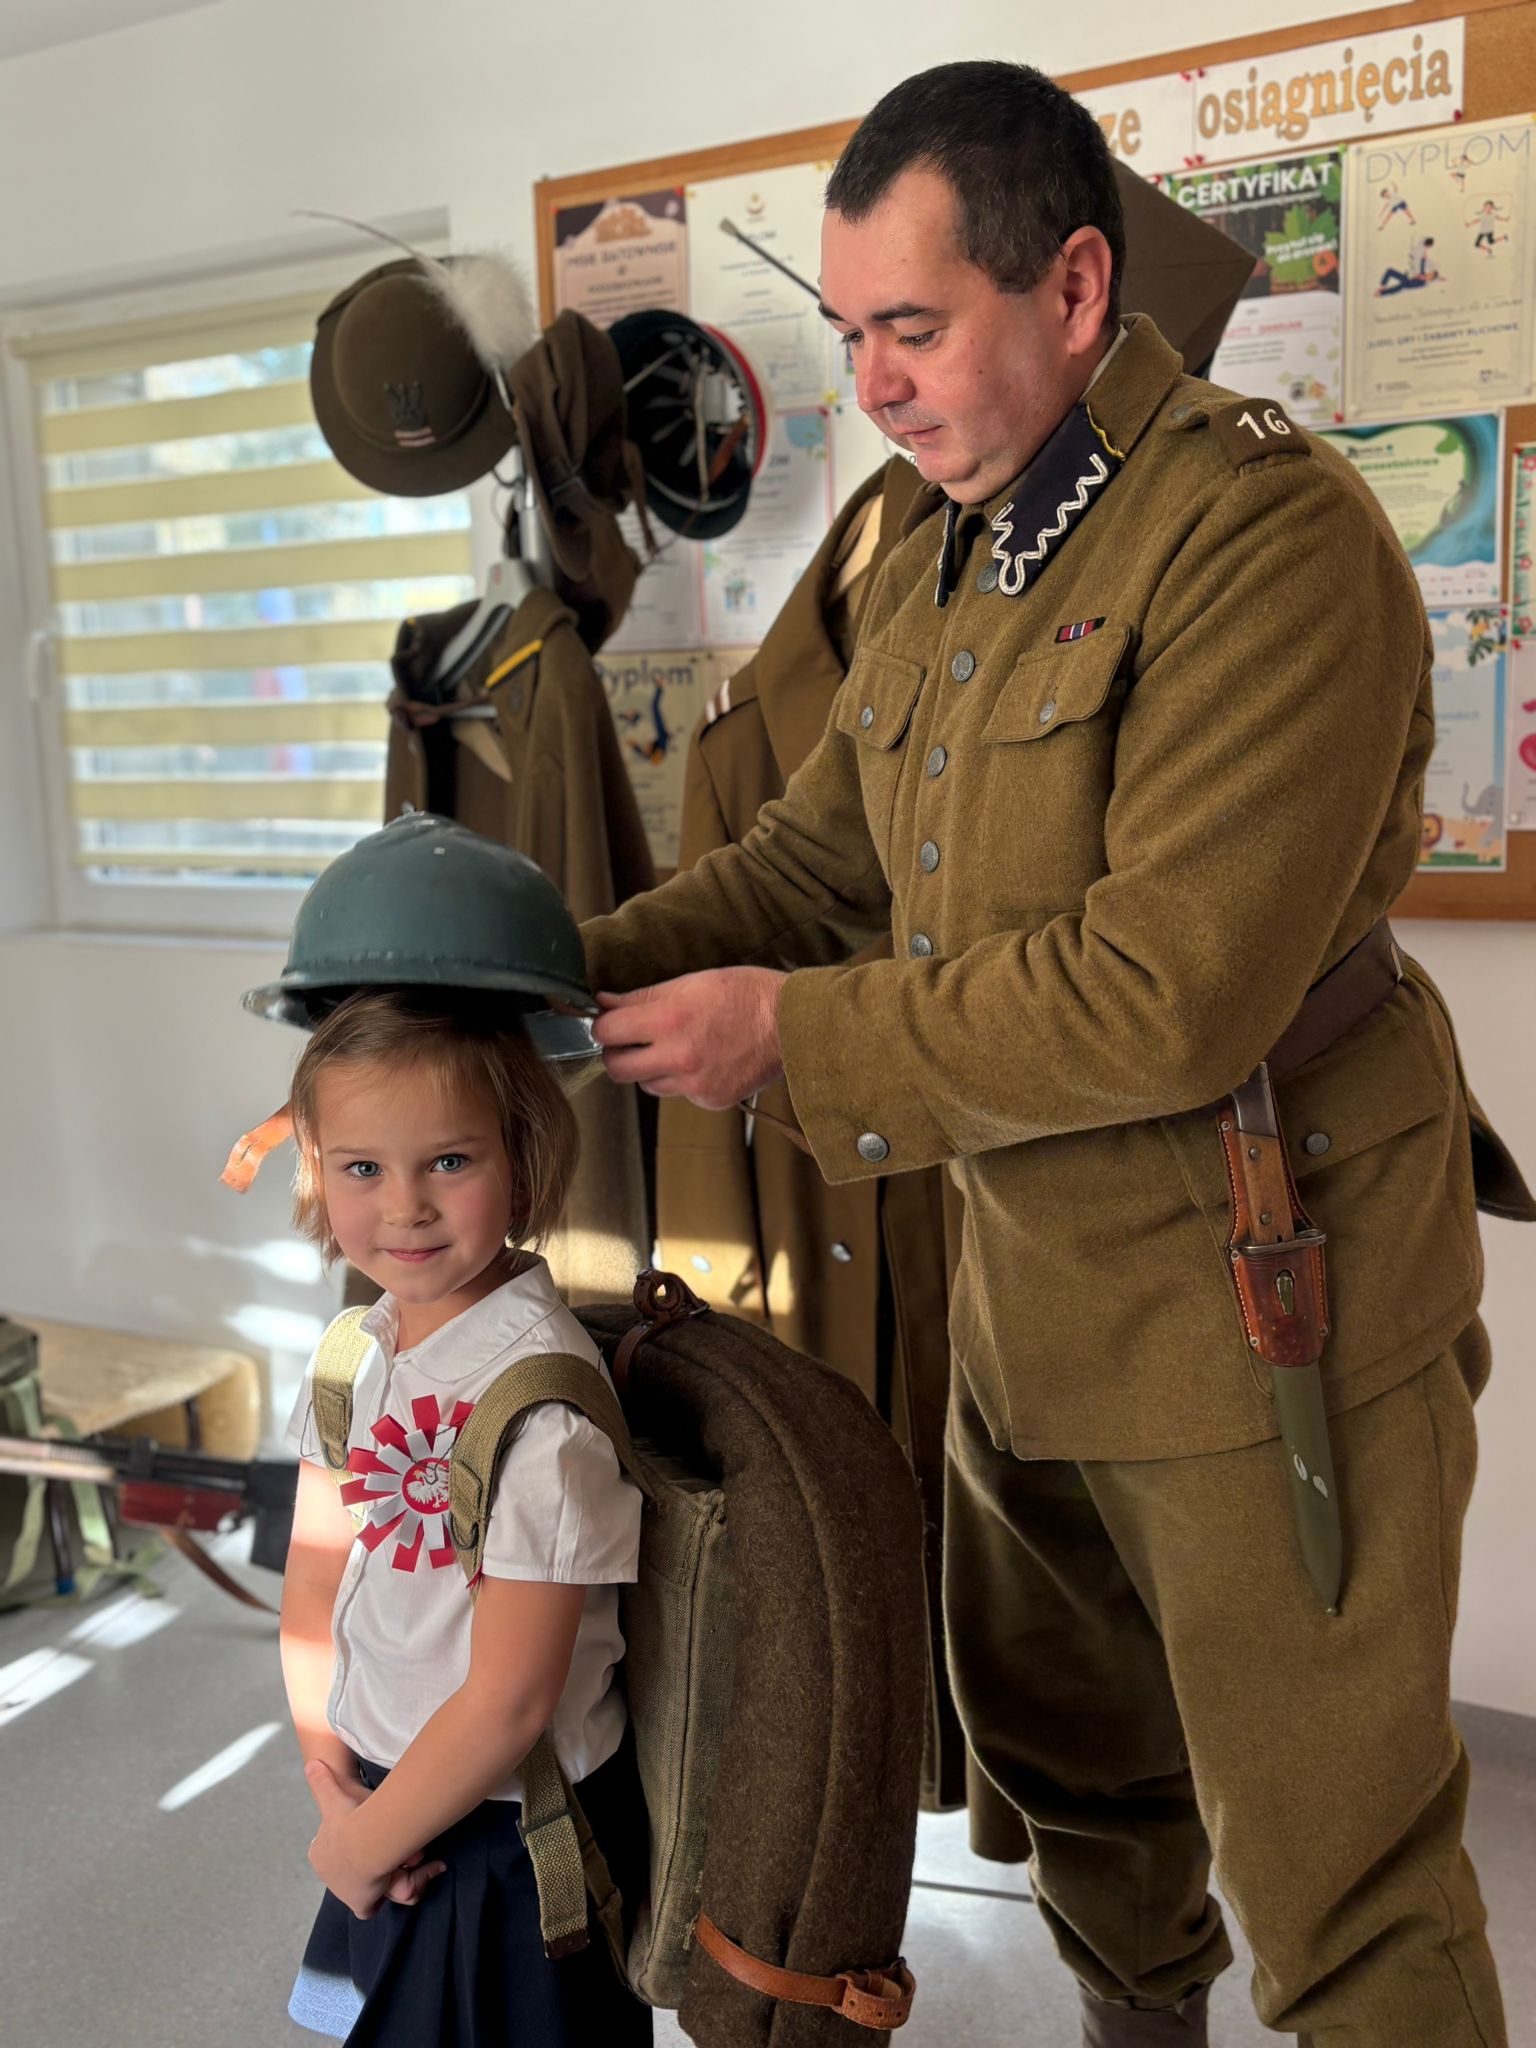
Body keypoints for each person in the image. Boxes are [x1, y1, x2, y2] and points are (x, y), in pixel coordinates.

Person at [582, 58, 1530, 2048]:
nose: (876, 387)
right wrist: (553, 966)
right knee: (1090, 1796)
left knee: (1336, 1872)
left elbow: (1164, 986)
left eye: (912, 328)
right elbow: (815, 861)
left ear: (1078, 289)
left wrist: (787, 1037)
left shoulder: (1268, 543)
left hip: (1270, 1298)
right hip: (1036, 1297)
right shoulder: (937, 555)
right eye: (850, 337)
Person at [277, 990, 650, 2048]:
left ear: (524, 1157)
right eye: (362, 1167)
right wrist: (334, 1788)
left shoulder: (540, 1412)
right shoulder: (356, 1354)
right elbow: (311, 1587)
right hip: (387, 1801)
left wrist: (361, 1846)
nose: (404, 1207)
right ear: (318, 1167)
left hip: (507, 1844)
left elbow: (508, 1701)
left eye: (449, 1161)